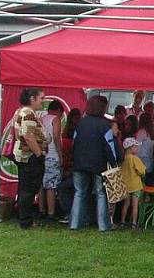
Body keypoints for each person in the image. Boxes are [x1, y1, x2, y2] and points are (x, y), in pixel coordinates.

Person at [71, 95, 121, 231]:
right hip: (98, 164)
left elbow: (74, 143)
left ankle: (75, 224)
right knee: (101, 194)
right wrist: (114, 162)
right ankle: (103, 226)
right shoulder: (105, 125)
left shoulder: (81, 123)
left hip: (79, 163)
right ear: (103, 108)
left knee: (79, 193)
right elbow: (109, 146)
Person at [13, 88, 48, 229]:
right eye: (41, 98)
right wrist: (38, 153)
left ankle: (24, 218)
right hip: (30, 156)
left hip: (24, 155)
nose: (43, 101)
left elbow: (17, 132)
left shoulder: (20, 111)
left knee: (24, 188)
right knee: (28, 189)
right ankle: (26, 221)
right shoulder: (28, 113)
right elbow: (28, 135)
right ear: (32, 99)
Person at [40, 100, 64, 222]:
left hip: (43, 155)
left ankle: (41, 209)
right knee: (51, 186)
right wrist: (60, 155)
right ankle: (51, 213)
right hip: (53, 155)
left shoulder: (42, 119)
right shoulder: (55, 119)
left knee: (42, 184)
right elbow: (56, 136)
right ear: (59, 111)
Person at [120, 137, 146, 229]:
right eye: (136, 147)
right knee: (135, 205)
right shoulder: (135, 159)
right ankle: (134, 223)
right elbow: (142, 171)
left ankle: (122, 221)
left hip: (125, 185)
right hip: (135, 185)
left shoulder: (122, 158)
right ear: (131, 148)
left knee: (126, 204)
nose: (137, 148)